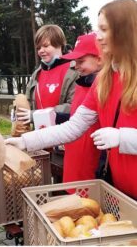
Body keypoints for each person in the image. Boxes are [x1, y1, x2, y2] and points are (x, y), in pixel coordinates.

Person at [6, 0, 137, 200]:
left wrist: (122, 138)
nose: (98, 37)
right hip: (120, 192)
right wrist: (24, 141)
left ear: (124, 31)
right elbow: (73, 126)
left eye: (104, 29)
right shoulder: (104, 80)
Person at [60, 33, 103, 184]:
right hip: (73, 164)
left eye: (81, 61)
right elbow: (76, 119)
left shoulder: (102, 88)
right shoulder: (81, 84)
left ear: (99, 59)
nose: (76, 66)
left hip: (91, 172)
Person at [17, 24, 79, 125]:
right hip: (40, 135)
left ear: (59, 44)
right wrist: (19, 112)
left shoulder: (74, 70)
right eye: (38, 48)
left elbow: (74, 106)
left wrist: (36, 115)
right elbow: (28, 100)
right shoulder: (37, 73)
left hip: (64, 135)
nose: (41, 51)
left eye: (46, 46)